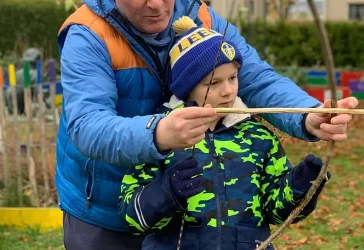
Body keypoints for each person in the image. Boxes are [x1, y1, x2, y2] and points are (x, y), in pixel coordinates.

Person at [56, 0, 358, 249]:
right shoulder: (88, 32)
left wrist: (307, 115)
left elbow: (257, 79)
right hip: (102, 209)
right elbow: (87, 123)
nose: (158, 4)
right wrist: (161, 135)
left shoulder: (200, 16)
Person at [118, 16, 331, 250]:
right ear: (187, 88)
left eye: (232, 77)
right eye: (213, 83)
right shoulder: (162, 136)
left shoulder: (259, 137)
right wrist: (166, 193)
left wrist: (301, 186)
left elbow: (276, 213)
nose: (227, 91)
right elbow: (132, 217)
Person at [5, 47, 40, 115]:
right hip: (22, 105)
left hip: (11, 104)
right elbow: (38, 93)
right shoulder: (35, 74)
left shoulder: (17, 73)